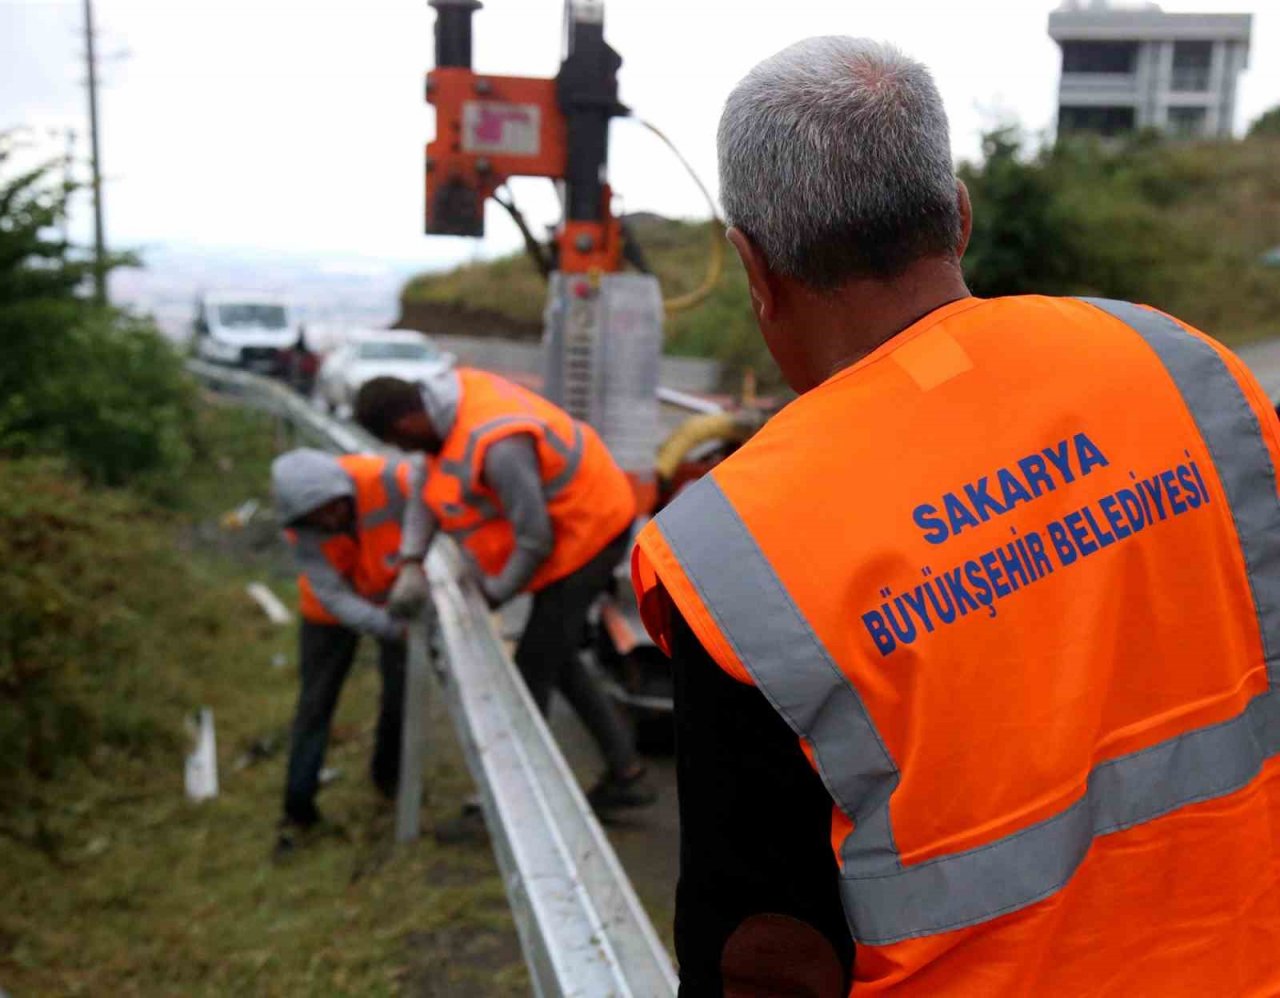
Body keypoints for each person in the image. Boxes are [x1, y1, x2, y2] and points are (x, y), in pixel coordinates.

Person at [632, 37, 1280, 996]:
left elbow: (764, 955)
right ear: (960, 218)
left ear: (754, 267)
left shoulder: (733, 556)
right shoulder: (1185, 370)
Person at [353, 367, 656, 816]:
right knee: (555, 654)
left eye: (398, 443)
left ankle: (517, 797)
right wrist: (412, 560)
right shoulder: (441, 415)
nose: (402, 452)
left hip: (591, 531)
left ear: (405, 424)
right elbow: (426, 488)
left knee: (533, 666)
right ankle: (625, 769)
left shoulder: (497, 445)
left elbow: (535, 539)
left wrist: (494, 595)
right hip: (565, 532)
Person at [270, 448, 415, 858]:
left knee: (400, 694)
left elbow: (435, 519)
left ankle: (389, 779)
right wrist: (390, 629)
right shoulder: (300, 528)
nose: (329, 522)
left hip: (394, 597)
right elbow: (332, 594)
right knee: (315, 703)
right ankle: (298, 806)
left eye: (332, 509)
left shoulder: (390, 479)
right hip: (328, 614)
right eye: (317, 518)